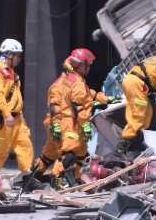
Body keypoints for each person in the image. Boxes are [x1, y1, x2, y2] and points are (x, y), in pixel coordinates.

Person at [31, 49, 110, 188]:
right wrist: (85, 127)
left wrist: (106, 99)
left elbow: (88, 94)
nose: (90, 68)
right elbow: (80, 106)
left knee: (52, 154)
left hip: (58, 122)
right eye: (88, 65)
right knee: (71, 151)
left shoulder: (69, 78)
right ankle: (57, 179)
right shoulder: (76, 81)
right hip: (66, 122)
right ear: (80, 65)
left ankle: (34, 177)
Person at [0, 39, 33, 176]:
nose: (20, 59)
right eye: (18, 55)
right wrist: (7, 114)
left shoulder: (12, 74)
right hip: (4, 118)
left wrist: (20, 114)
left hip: (17, 118)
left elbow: (15, 97)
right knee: (0, 149)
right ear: (9, 55)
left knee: (24, 145)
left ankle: (26, 176)